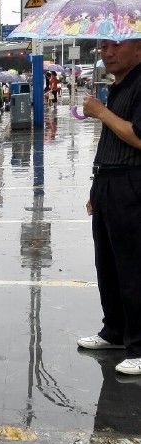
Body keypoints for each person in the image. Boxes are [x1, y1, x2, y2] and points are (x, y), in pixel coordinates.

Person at [77, 38, 141, 375]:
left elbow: (138, 136)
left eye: (116, 46)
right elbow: (111, 140)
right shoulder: (118, 86)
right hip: (108, 183)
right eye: (103, 47)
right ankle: (115, 331)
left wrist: (102, 112)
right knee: (109, 265)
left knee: (133, 268)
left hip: (131, 183)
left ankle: (139, 345)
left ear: (139, 49)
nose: (107, 52)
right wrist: (96, 187)